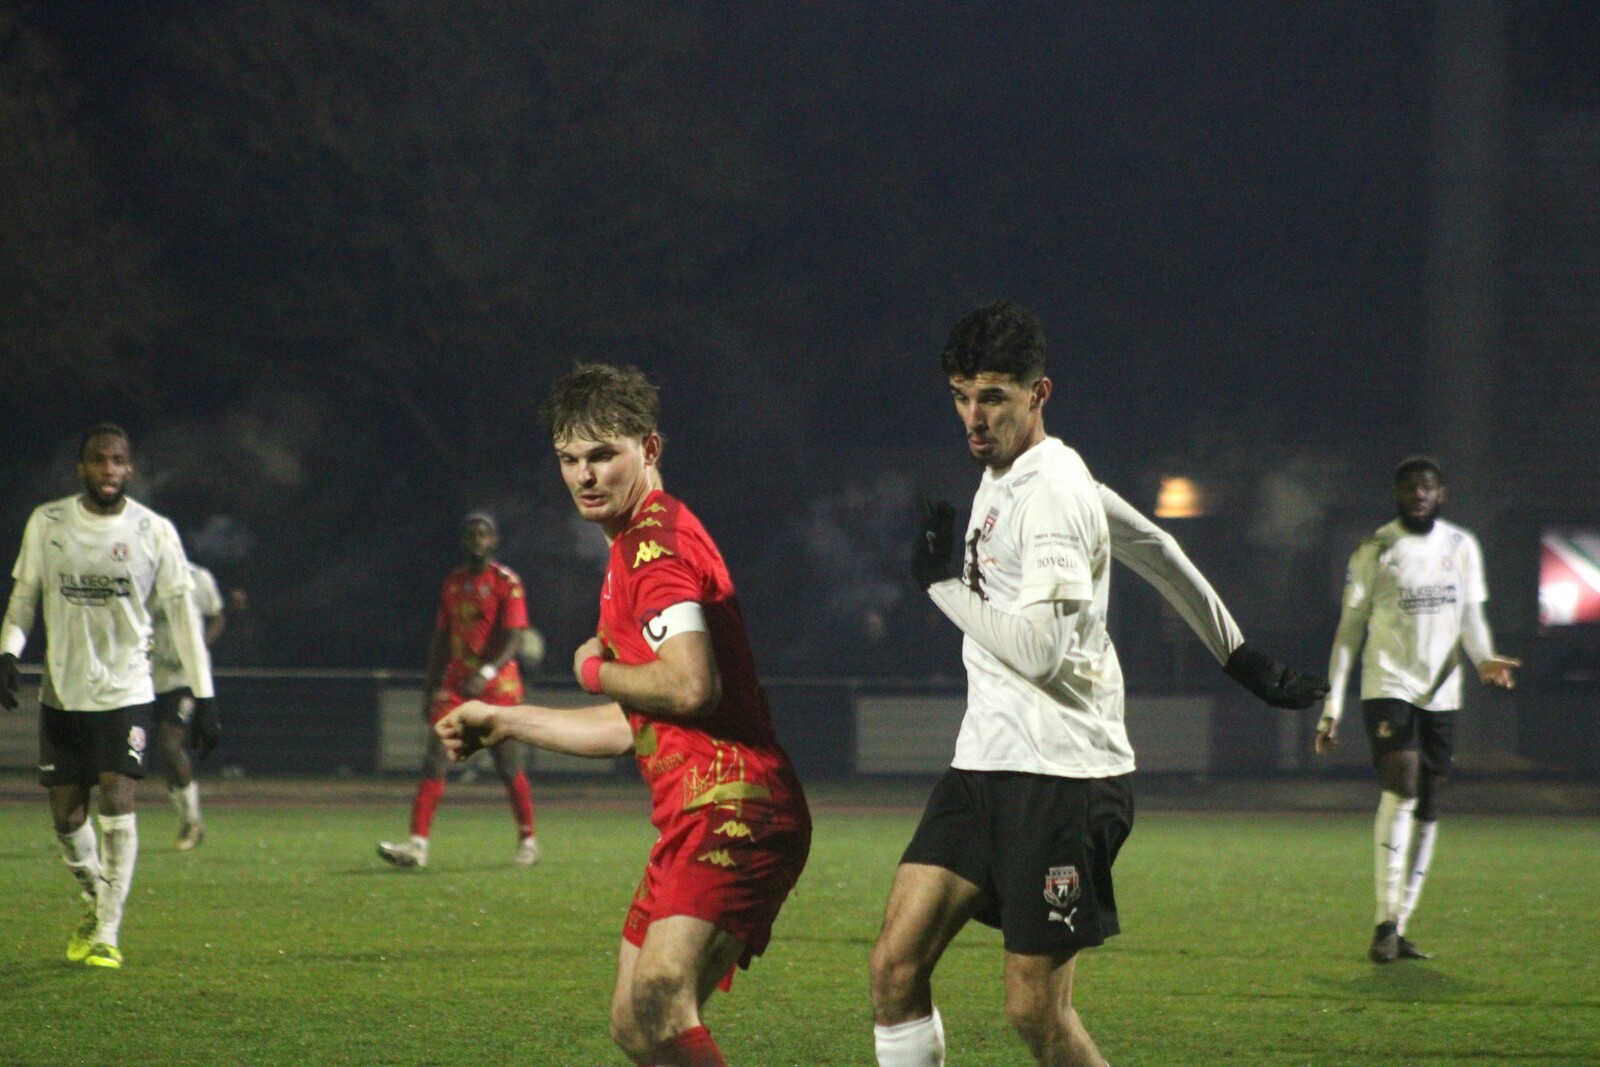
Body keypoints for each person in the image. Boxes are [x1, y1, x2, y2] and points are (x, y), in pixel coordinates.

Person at [869, 301, 1328, 1067]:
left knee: (1035, 1013)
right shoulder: (1009, 473)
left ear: (1038, 393)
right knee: (894, 966)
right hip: (985, 764)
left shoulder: (1051, 489)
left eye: (993, 397)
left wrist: (939, 584)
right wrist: (1240, 654)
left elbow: (1042, 652)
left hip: (1063, 775)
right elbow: (1155, 545)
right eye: (961, 396)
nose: (974, 417)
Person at [435, 363, 811, 1067]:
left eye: (603, 454)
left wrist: (591, 668)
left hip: (735, 801)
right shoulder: (635, 543)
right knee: (636, 1024)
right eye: (569, 458)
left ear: (650, 448)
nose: (584, 475)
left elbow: (690, 686)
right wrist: (506, 720)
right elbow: (631, 725)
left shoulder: (651, 546)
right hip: (693, 809)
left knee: (661, 990)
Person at [0, 424, 216, 970]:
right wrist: (8, 652)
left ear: (129, 468)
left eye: (118, 460)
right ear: (82, 468)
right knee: (66, 818)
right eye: (99, 460)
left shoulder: (153, 530)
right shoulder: (48, 522)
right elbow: (24, 596)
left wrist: (205, 695)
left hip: (127, 691)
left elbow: (185, 621)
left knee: (118, 799)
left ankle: (107, 931)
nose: (109, 470)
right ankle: (98, 895)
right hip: (63, 693)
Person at [1314, 456, 1520, 964]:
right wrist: (1333, 703)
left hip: (1443, 692)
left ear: (1441, 494)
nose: (1419, 494)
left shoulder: (1461, 546)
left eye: (1427, 487)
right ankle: (1384, 921)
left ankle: (1399, 925)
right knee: (1401, 785)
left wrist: (1485, 658)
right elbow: (1348, 631)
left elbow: (1470, 616)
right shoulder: (1375, 550)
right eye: (1410, 487)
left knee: (1429, 803)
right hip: (1389, 684)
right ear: (1397, 494)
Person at [379, 512, 539, 869]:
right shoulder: (453, 583)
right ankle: (417, 845)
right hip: (458, 684)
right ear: (462, 541)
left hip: (498, 684)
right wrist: (429, 688)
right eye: (470, 534)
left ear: (493, 541)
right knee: (435, 756)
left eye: (483, 534)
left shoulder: (506, 582)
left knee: (506, 763)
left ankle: (528, 839)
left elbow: (514, 638)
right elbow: (441, 641)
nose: (476, 540)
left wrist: (486, 672)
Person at [148, 561, 226, 850]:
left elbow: (217, 617)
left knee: (169, 746)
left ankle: (193, 821)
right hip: (150, 678)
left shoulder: (196, 577)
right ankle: (188, 819)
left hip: (185, 678)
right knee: (164, 754)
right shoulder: (143, 577)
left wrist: (198, 647)